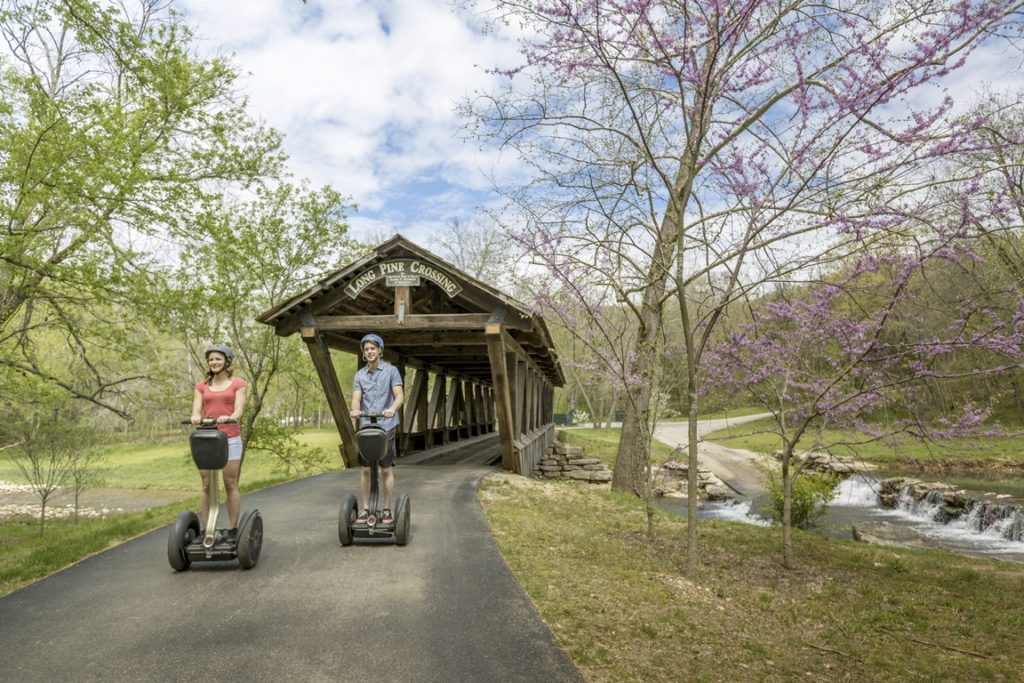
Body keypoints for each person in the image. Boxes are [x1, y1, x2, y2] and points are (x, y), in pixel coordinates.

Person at [191, 343, 248, 541]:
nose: (214, 362)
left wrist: (230, 416)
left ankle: (233, 529)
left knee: (230, 483)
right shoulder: (201, 386)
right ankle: (207, 530)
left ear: (227, 361)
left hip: (230, 437)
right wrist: (195, 417)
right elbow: (196, 409)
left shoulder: (238, 384)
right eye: (211, 359)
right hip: (207, 438)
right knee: (206, 484)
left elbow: (239, 409)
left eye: (218, 359)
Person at [349, 333, 404, 524]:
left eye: (373, 348)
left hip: (386, 426)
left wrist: (391, 409)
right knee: (365, 470)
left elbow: (399, 396)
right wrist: (355, 410)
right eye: (366, 349)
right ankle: (365, 510)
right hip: (366, 426)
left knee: (385, 470)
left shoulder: (391, 371)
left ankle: (387, 509)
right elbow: (357, 398)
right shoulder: (360, 375)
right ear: (364, 353)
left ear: (380, 350)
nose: (370, 352)